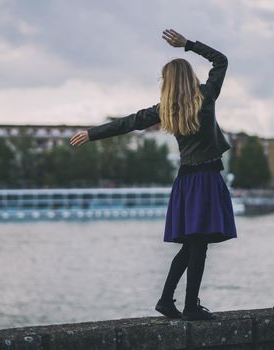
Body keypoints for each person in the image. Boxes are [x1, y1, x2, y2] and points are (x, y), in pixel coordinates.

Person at [69, 29, 237, 321]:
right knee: (199, 244)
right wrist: (188, 45)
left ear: (169, 84)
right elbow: (220, 61)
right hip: (207, 178)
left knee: (192, 243)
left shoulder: (165, 110)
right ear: (189, 78)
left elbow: (127, 123)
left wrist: (92, 133)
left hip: (185, 180)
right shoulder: (205, 96)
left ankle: (166, 301)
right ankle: (190, 307)